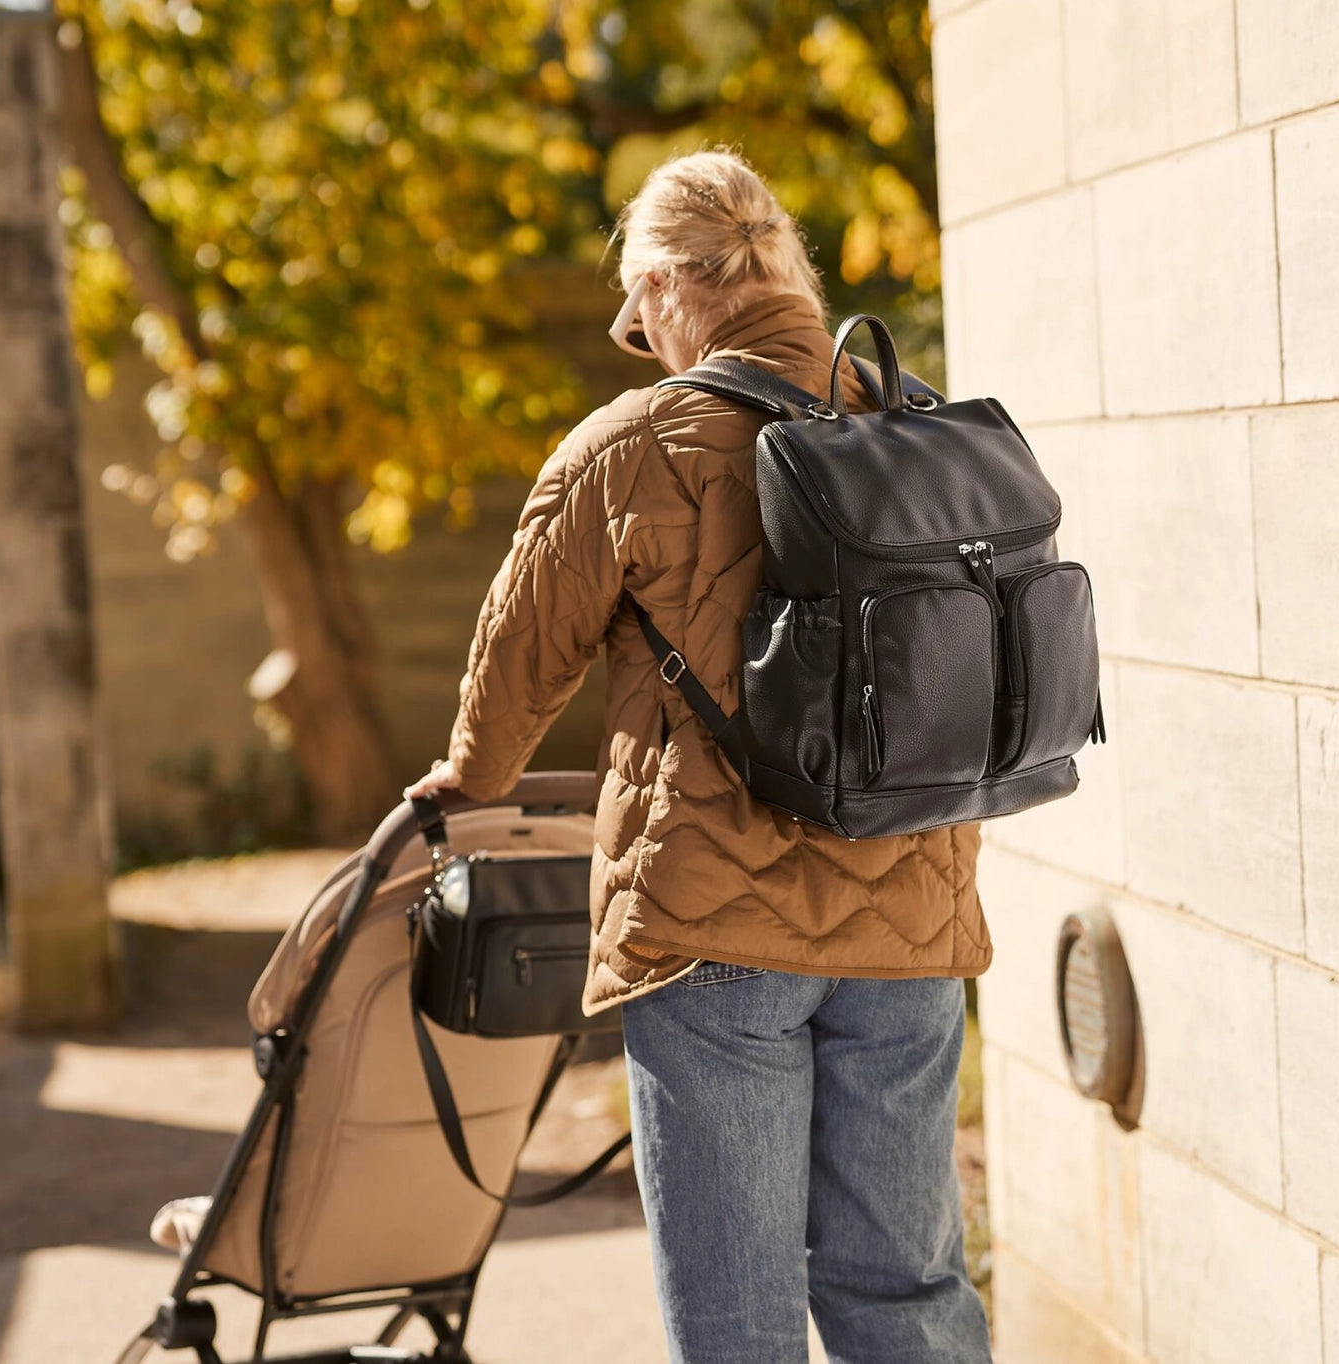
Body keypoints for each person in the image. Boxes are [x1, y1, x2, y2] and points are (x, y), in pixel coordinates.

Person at [404, 147, 994, 1364]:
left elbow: (521, 658)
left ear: (679, 280)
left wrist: (471, 779)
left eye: (636, 302)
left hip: (712, 930)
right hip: (911, 911)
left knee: (739, 1321)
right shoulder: (917, 418)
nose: (633, 328)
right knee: (907, 1284)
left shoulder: (634, 443)